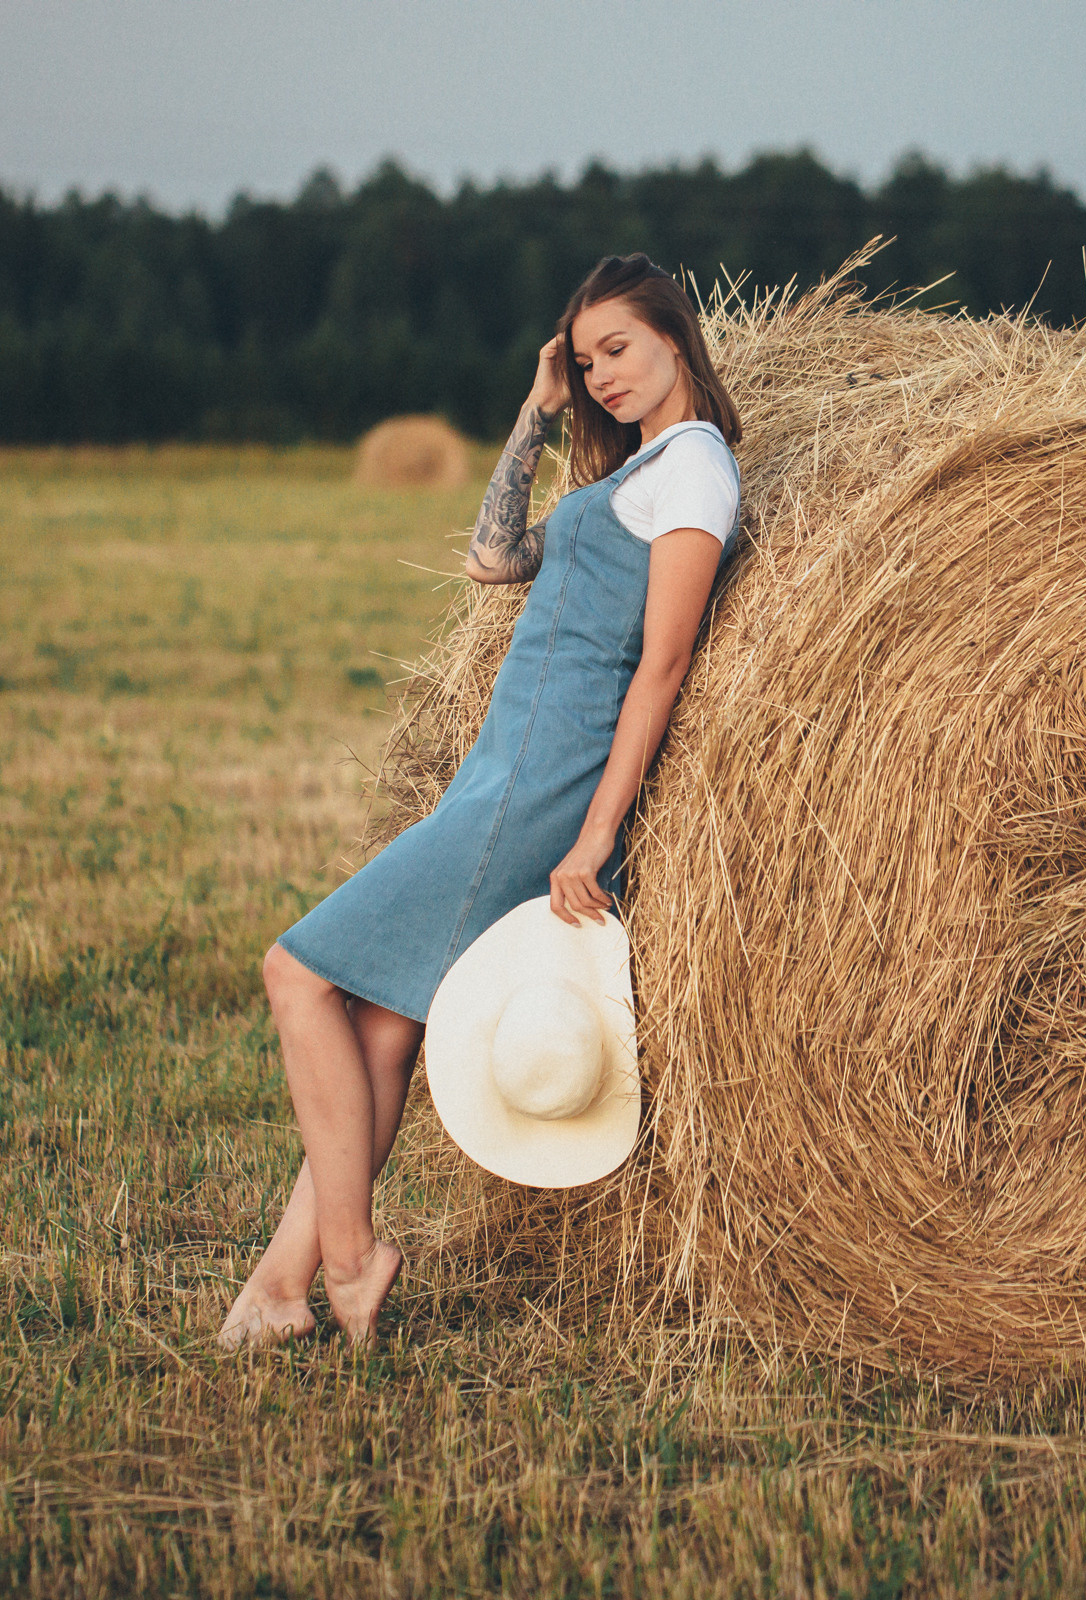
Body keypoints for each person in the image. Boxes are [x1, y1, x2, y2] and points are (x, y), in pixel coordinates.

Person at [217, 253, 745, 1348]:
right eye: (587, 355)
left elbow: (662, 668)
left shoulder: (695, 470)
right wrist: (537, 406)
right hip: (501, 773)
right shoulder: (626, 481)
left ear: (675, 340)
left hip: (539, 791)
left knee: (297, 969)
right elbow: (493, 559)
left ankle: (354, 1257)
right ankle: (278, 1287)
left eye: (621, 349)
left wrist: (594, 839)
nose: (604, 373)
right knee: (381, 1028)